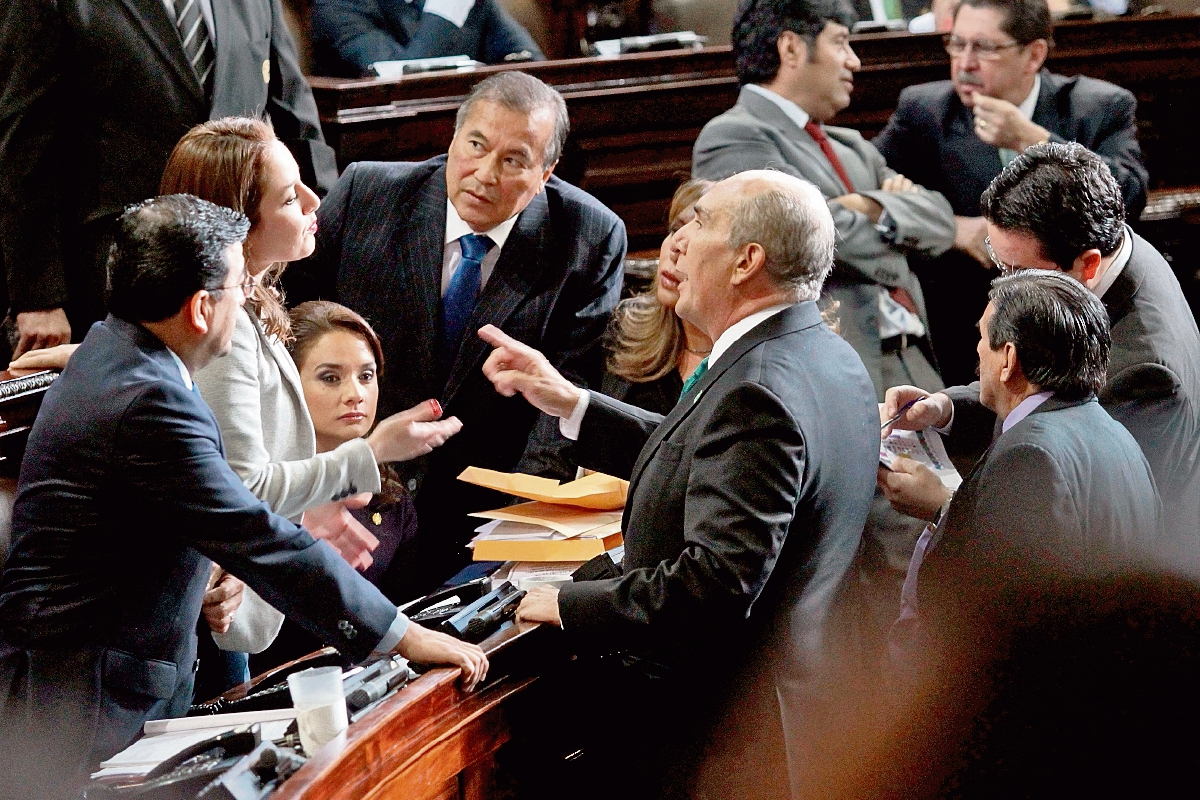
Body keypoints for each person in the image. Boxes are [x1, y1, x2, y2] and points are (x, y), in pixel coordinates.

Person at [0, 196, 486, 800]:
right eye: (239, 289)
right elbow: (258, 534)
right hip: (89, 705)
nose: (250, 307)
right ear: (202, 309)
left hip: (105, 680)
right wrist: (401, 635)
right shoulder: (151, 399)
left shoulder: (117, 353)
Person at [479, 169, 880, 798]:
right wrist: (573, 403)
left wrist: (565, 604)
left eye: (702, 223)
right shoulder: (824, 353)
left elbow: (714, 585)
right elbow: (708, 455)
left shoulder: (757, 391)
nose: (680, 241)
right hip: (787, 709)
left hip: (719, 737)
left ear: (747, 261)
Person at [286, 71, 627, 590]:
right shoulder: (367, 193)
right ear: (452, 138)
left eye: (514, 160)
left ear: (546, 172)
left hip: (485, 509)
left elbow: (569, 391)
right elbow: (286, 331)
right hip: (346, 490)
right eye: (475, 146)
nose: (485, 174)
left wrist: (519, 525)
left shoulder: (589, 237)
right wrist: (311, 478)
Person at [879, 270, 1163, 796]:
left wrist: (947, 511)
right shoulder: (1113, 433)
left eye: (983, 340)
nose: (977, 354)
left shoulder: (1029, 456)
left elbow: (1003, 625)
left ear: (1008, 359)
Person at [879, 142, 1200, 545]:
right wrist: (944, 410)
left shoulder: (1142, 371)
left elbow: (1094, 531)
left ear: (1088, 264)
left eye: (1018, 270)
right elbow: (1046, 383)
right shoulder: (1117, 244)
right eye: (999, 261)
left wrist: (946, 508)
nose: (1002, 285)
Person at [0, 0, 338, 361]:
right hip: (113, 283)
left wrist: (327, 240)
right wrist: (38, 297)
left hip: (241, 283)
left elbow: (293, 116)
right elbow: (26, 148)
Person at [873, 0, 1148, 384]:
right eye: (957, 44)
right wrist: (952, 228)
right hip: (968, 319)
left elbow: (1128, 196)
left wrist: (1032, 139)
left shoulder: (1096, 106)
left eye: (984, 48)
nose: (965, 63)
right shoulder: (926, 110)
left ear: (1033, 55)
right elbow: (866, 183)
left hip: (1076, 316)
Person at [692, 0, 956, 400]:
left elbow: (939, 222)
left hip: (916, 359)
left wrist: (866, 206)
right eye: (841, 42)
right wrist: (895, 234)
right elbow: (806, 241)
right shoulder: (733, 136)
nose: (855, 62)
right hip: (830, 371)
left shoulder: (851, 146)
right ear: (792, 48)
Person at [253, 300, 431, 670]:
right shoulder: (261, 492)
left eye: (366, 376)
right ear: (288, 385)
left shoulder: (392, 496)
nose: (356, 394)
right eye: (330, 377)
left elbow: (409, 617)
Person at [602, 179, 714, 415]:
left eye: (695, 242)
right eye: (675, 230)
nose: (674, 249)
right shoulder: (626, 326)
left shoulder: (748, 362)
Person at [312, 0, 544, 77]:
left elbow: (534, 68)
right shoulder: (338, 6)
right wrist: (444, 14)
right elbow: (402, 85)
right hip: (386, 155)